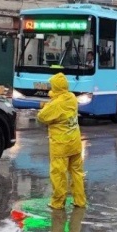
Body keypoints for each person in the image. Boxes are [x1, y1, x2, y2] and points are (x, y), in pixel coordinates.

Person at [37, 73, 86, 209]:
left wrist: (47, 104)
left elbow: (42, 117)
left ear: (56, 87)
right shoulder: (71, 97)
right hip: (75, 143)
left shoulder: (56, 104)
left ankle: (58, 203)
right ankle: (80, 200)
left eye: (52, 86)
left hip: (61, 145)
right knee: (77, 172)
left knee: (58, 174)